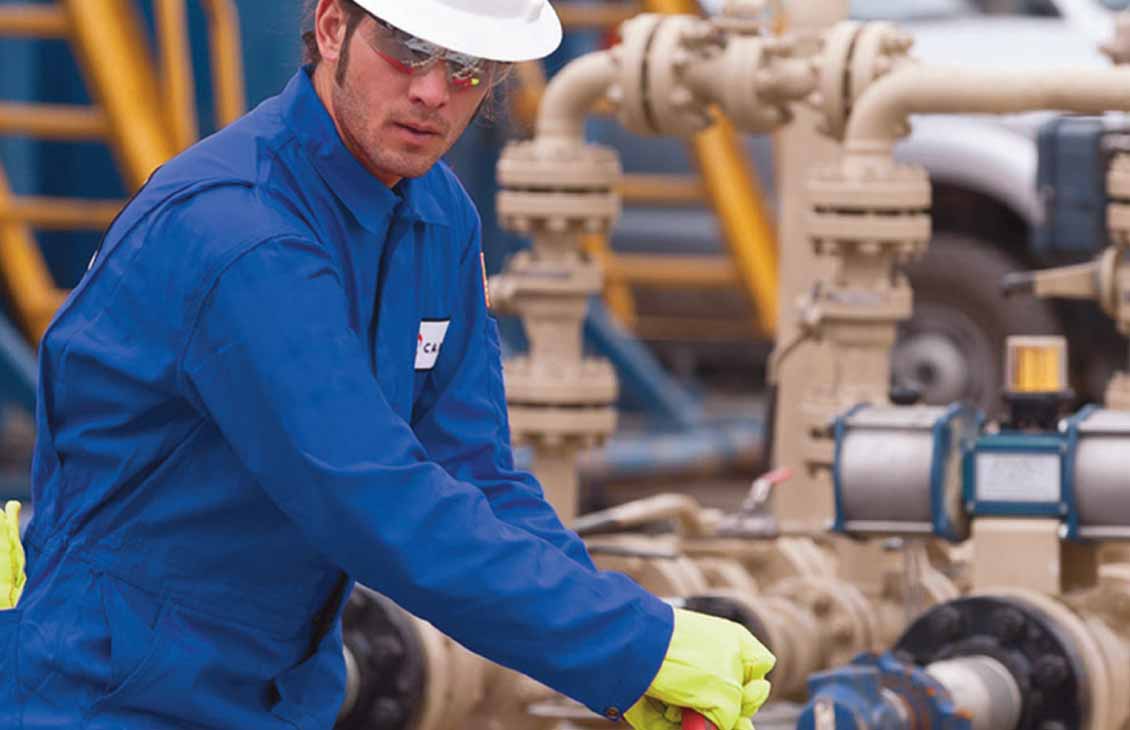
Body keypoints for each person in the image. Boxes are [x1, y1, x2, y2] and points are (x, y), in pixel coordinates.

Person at [2, 1, 775, 728]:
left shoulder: (436, 215)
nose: (434, 92)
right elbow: (373, 499)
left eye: (469, 66)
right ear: (333, 26)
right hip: (111, 690)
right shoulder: (240, 231)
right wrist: (631, 643)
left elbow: (478, 474)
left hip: (283, 690)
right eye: (407, 50)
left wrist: (621, 656)